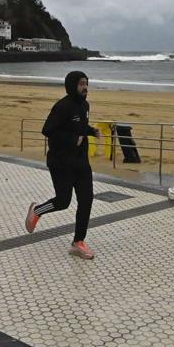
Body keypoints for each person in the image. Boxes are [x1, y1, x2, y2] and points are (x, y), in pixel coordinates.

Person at [24, 70, 101, 259]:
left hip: (81, 162)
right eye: (82, 84)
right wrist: (72, 139)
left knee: (86, 200)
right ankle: (36, 210)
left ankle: (78, 242)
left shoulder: (85, 105)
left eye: (86, 84)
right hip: (61, 162)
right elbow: (48, 130)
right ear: (72, 85)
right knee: (63, 202)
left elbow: (80, 127)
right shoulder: (62, 107)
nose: (85, 88)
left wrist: (91, 131)